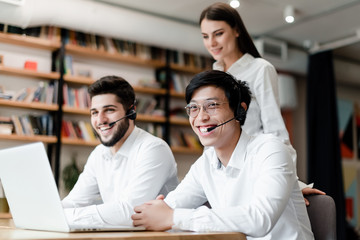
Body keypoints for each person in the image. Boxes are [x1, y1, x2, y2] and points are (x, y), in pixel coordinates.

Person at [132, 70, 314, 239]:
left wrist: (174, 217)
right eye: (194, 108)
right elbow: (169, 208)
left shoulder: (270, 149)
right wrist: (156, 212)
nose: (201, 117)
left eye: (212, 105)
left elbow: (260, 219)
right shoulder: (206, 163)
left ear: (239, 110)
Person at [199, 2, 324, 203]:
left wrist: (290, 183)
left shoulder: (260, 69)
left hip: (254, 169)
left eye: (218, 33)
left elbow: (276, 131)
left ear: (237, 30)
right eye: (205, 36)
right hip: (219, 175)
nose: (211, 42)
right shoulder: (213, 77)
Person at [62, 75, 178, 226]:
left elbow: (129, 212)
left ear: (131, 112)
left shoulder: (154, 149)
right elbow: (75, 201)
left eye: (109, 110)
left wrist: (65, 216)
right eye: (94, 112)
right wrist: (48, 212)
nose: (100, 120)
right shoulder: (99, 153)